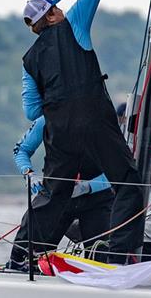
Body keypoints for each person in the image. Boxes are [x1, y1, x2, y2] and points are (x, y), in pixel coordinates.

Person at [21, 0, 143, 265]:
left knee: (53, 194)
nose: (60, 11)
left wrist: (59, 102)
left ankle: (19, 257)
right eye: (55, 9)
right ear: (51, 16)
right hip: (95, 122)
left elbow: (31, 109)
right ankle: (118, 255)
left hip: (59, 132)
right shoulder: (72, 23)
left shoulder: (28, 60)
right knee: (128, 181)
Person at [7, 116, 113, 271]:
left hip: (96, 198)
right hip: (58, 192)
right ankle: (18, 263)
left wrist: (88, 187)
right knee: (35, 240)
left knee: (99, 258)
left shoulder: (102, 120)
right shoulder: (46, 119)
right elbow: (21, 150)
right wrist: (29, 173)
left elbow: (118, 169)